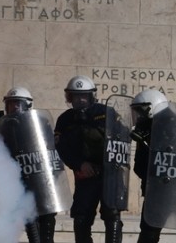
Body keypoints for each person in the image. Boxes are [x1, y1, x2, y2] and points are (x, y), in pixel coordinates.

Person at [54, 76, 123, 243]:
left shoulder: (106, 113)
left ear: (91, 96)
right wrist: (79, 164)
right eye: (76, 96)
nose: (80, 100)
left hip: (110, 174)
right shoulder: (65, 119)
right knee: (81, 218)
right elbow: (61, 148)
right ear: (70, 97)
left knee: (112, 215)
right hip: (85, 175)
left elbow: (121, 140)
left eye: (83, 95)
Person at [0, 87, 57, 243]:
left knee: (47, 217)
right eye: (11, 104)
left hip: (38, 176)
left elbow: (50, 148)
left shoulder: (39, 122)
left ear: (28, 105)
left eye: (18, 103)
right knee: (28, 216)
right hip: (16, 177)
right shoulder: (0, 122)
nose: (15, 107)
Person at [130, 89, 169, 243]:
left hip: (175, 190)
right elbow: (139, 167)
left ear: (152, 110)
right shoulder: (144, 133)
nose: (138, 117)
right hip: (153, 190)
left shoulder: (171, 131)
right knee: (148, 231)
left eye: (140, 112)